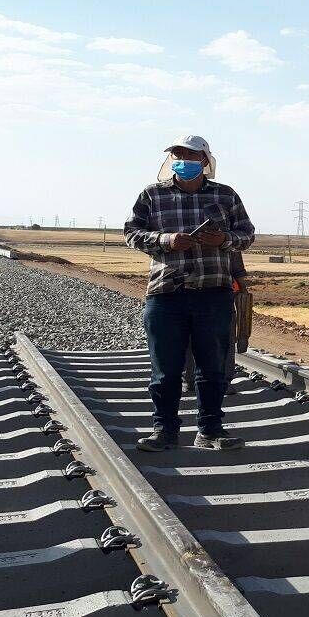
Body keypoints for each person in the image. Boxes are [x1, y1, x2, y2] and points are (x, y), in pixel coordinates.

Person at [125, 135, 256, 452]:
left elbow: (247, 235)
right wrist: (166, 241)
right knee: (165, 370)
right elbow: (131, 233)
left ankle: (211, 431)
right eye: (177, 155)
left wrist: (222, 239)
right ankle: (164, 431)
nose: (182, 160)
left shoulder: (226, 196)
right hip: (166, 293)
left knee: (211, 369)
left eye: (189, 155)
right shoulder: (152, 195)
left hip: (213, 294)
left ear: (205, 161)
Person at [183, 250, 251, 394]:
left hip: (221, 289)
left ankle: (223, 381)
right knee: (189, 339)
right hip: (188, 289)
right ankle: (190, 379)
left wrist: (241, 287)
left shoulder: (227, 230)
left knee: (224, 338)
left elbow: (235, 255)